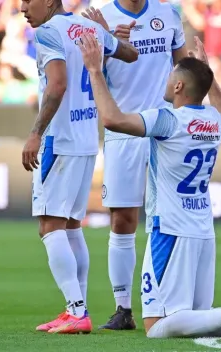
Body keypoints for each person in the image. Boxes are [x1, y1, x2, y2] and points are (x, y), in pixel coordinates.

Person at [78, 33, 221, 340]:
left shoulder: (168, 120)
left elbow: (112, 119)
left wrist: (93, 69)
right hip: (202, 230)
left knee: (156, 326)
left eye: (171, 77)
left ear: (179, 86)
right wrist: (210, 75)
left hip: (169, 229)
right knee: (197, 323)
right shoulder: (214, 120)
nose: (167, 82)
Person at [20, 0, 138, 334]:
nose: (24, 9)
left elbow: (57, 85)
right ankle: (77, 307)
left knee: (49, 226)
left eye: (28, 2)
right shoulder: (89, 28)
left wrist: (35, 134)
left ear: (48, 2)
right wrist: (112, 37)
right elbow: (130, 55)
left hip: (60, 139)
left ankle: (77, 310)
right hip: (87, 138)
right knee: (71, 225)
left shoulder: (47, 32)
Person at [81, 0, 189, 330]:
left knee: (169, 216)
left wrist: (188, 118)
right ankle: (123, 307)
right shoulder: (98, 14)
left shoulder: (169, 12)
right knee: (123, 218)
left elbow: (184, 69)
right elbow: (86, 74)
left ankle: (171, 300)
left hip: (165, 128)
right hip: (124, 126)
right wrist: (109, 41)